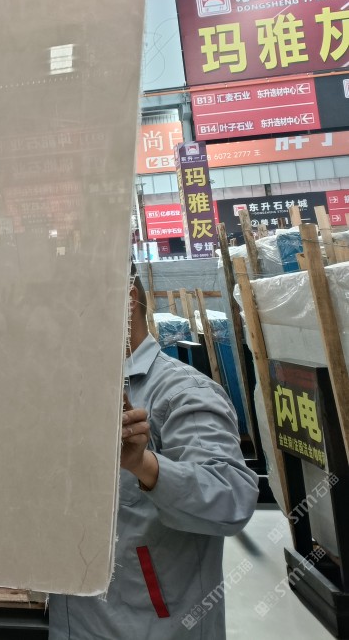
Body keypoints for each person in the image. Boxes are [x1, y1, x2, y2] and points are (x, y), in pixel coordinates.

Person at [49, 266, 258, 639]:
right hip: (74, 620)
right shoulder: (72, 391)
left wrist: (144, 465)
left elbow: (232, 500)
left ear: (127, 300)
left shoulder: (182, 392)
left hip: (152, 626)